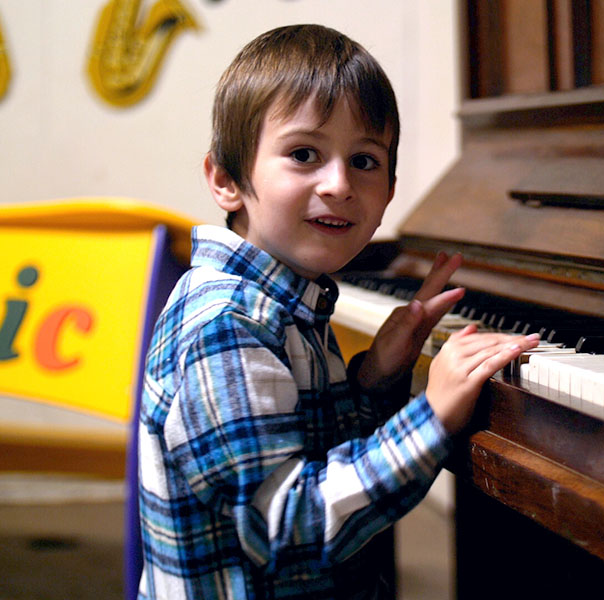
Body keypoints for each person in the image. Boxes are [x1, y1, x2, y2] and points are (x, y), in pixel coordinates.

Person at [137, 24, 540, 600]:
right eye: (304, 154)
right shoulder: (227, 326)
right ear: (226, 180)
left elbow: (315, 448)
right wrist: (430, 415)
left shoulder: (286, 299)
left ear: (391, 189)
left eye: (365, 161)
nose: (339, 184)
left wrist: (375, 378)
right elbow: (285, 531)